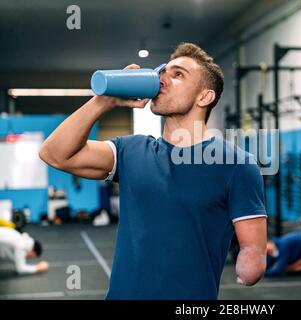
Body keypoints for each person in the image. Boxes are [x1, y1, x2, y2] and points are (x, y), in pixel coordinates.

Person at [39, 43, 267, 299]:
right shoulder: (131, 151)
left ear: (205, 96)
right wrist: (104, 101)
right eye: (163, 72)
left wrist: (251, 260)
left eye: (178, 74)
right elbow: (53, 154)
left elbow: (252, 247)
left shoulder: (236, 165)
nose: (162, 79)